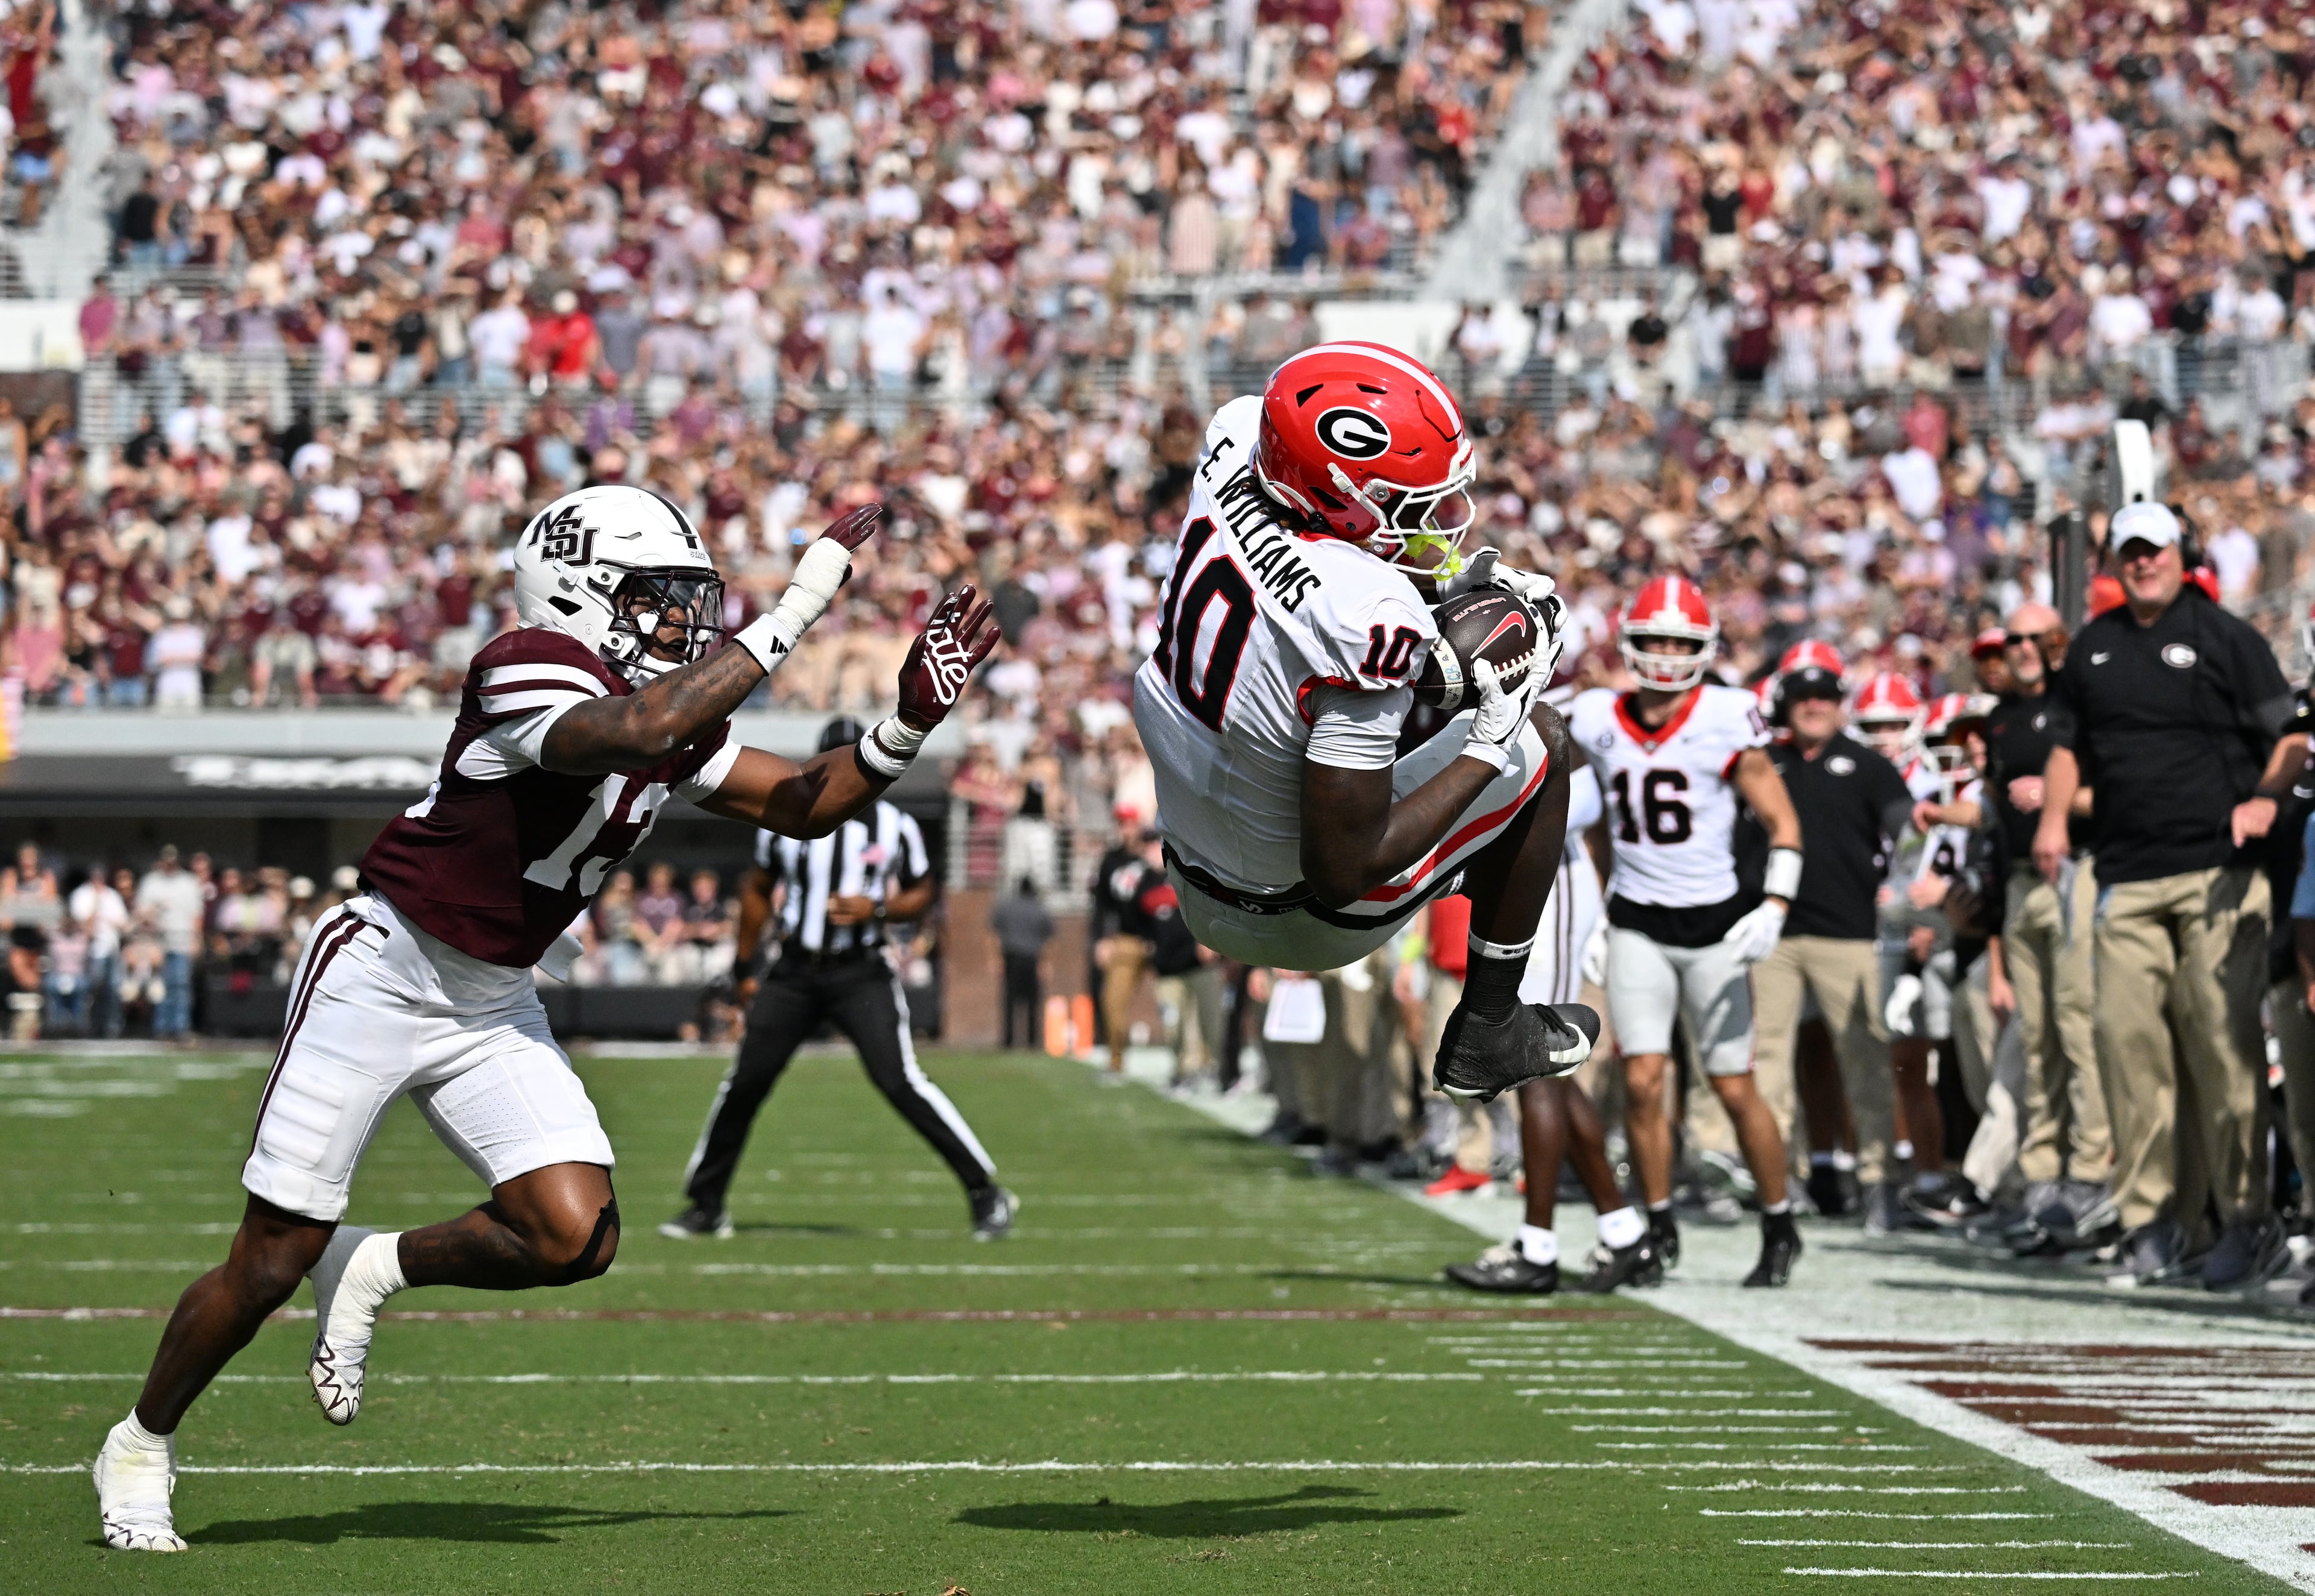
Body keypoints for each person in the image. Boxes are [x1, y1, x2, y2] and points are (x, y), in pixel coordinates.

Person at [93, 488, 999, 1553]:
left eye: (686, 602)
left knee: (573, 1232)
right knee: (268, 1259)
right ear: (577, 588)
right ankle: (141, 1440)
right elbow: (638, 728)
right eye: (657, 599)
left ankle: (376, 1262)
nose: (679, 623)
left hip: (492, 997)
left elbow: (803, 801)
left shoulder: (653, 702)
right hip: (383, 971)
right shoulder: (528, 664)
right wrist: (801, 600)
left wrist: (909, 723)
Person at [1132, 340, 1598, 1127]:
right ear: (1341, 492)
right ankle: (1490, 1028)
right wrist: (1490, 737)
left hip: (1193, 865)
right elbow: (1344, 872)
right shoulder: (1364, 614)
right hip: (1294, 919)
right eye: (1411, 502)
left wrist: (1443, 612)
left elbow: (1299, 607)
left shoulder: (1234, 444)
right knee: (1543, 743)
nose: (1438, 521)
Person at [2035, 500, 2297, 1289]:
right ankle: (2153, 1220)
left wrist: (2265, 799)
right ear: (2113, 560)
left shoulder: (2226, 637)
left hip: (2217, 871)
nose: (2143, 562)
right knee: (2128, 1047)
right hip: (2126, 871)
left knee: (2224, 1048)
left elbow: (2287, 733)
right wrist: (2052, 820)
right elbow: (2064, 750)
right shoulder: (2093, 650)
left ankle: (2246, 1219)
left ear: (2181, 553)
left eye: (2155, 549)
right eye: (2130, 552)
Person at [664, 715, 1012, 1243]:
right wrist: (743, 968)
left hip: (861, 972)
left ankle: (985, 1191)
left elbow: (923, 894)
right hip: (795, 970)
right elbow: (758, 889)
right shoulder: (784, 819)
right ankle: (706, 1204)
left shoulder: (895, 825)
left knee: (901, 1082)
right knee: (745, 1083)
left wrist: (878, 907)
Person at [1570, 577, 1806, 1286]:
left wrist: (1774, 907)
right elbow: (1600, 826)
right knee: (1641, 1081)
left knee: (1734, 1086)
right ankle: (1659, 1219)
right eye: (1655, 640)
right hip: (1639, 920)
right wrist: (1603, 908)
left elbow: (1784, 825)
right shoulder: (1596, 716)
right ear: (1629, 645)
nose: (1667, 655)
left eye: (1681, 642)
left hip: (1716, 925)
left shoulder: (1728, 716)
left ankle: (1779, 1217)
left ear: (1703, 649)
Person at [1446, 720, 1658, 1293]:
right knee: (1548, 1076)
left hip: (1551, 886)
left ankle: (1538, 1246)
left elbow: (1575, 808)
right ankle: (1620, 1231)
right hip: (1525, 887)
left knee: (1535, 1060)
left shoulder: (1555, 718)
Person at [1754, 652, 1915, 1233]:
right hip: (1773, 931)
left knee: (1866, 1060)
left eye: (1824, 696)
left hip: (1849, 932)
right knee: (1769, 1062)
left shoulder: (1868, 765)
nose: (1814, 705)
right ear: (1787, 704)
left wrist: (1907, 889)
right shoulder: (1764, 761)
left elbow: (1909, 833)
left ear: (1841, 704)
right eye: (1803, 697)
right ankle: (1782, 1177)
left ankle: (1878, 1182)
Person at [1970, 603, 2112, 1251]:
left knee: (2078, 1023)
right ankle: (2042, 1174)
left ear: (2058, 643)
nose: (2024, 648)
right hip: (2024, 881)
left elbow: (2115, 791)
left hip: (2075, 871)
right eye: (2015, 638)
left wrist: (2059, 801)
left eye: (2037, 637)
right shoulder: (1999, 719)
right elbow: (1995, 819)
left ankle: (2090, 1171)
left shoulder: (2077, 707)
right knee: (2036, 1038)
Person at [133, 846, 204, 1040]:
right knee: (159, 986)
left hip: (182, 940)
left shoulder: (189, 883)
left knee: (180, 985)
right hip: (157, 943)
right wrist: (154, 911)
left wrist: (196, 940)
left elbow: (197, 914)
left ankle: (180, 1027)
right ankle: (161, 1027)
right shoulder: (152, 882)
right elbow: (141, 913)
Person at [991, 875, 1056, 1051]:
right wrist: (1045, 963)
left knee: (1010, 1001)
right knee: (1033, 1002)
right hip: (1032, 959)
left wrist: (997, 959)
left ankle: (1008, 1041)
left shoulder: (1006, 907)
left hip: (1011, 957)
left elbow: (995, 935)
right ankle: (1033, 1041)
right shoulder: (1040, 909)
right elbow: (1047, 940)